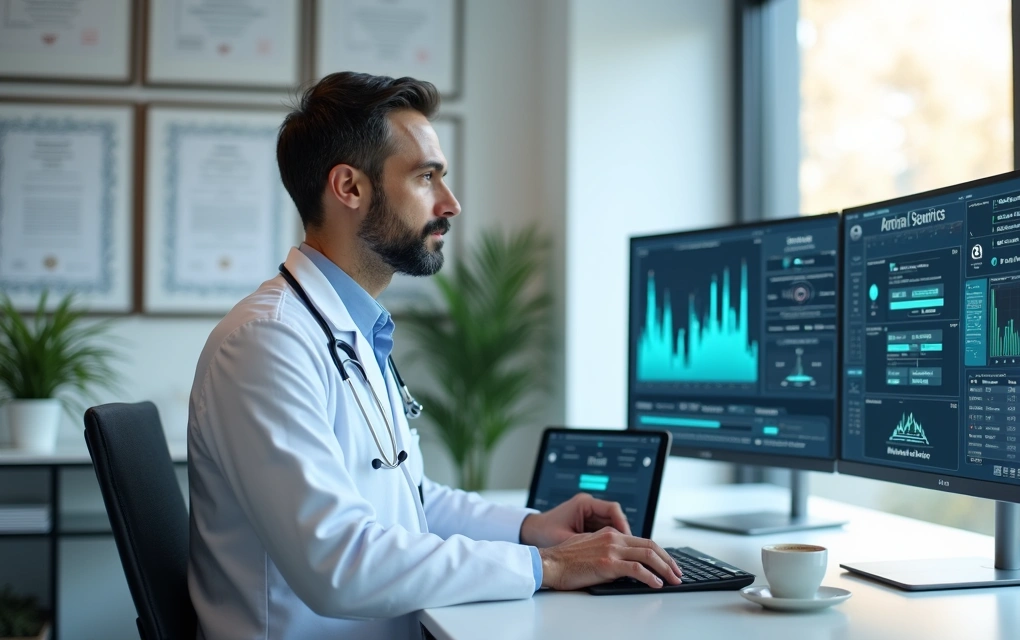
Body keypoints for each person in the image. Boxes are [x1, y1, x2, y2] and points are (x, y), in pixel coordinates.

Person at [186, 72, 682, 639]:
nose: (451, 203)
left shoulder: (349, 330)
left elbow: (410, 499)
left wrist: (532, 529)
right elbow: (338, 563)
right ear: (349, 187)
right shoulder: (267, 343)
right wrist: (547, 568)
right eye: (426, 177)